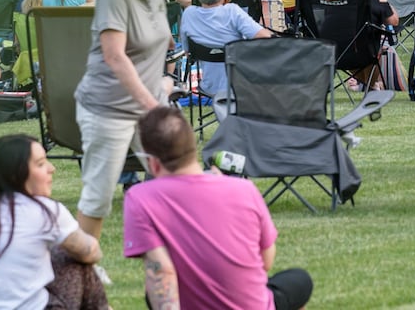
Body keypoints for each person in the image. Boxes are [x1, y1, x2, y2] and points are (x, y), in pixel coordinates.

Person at [124, 107, 312, 310]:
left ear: (153, 164)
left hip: (185, 300)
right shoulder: (244, 189)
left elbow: (160, 271)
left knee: (153, 291)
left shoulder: (140, 197)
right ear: (193, 149)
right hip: (253, 304)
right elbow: (266, 260)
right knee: (299, 280)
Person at [72, 0, 171, 240]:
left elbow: (160, 39)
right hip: (108, 108)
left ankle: (168, 258)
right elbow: (115, 55)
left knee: (172, 182)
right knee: (98, 198)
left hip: (149, 102)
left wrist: (163, 83)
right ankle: (81, 271)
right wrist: (151, 105)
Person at [0, 135, 105, 310]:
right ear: (16, 174)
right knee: (73, 258)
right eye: (40, 164)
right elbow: (91, 252)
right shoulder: (44, 211)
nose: (51, 168)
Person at [178, 0, 271, 113]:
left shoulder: (189, 14)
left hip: (208, 87)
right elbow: (265, 37)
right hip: (239, 86)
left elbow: (188, 52)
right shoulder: (232, 11)